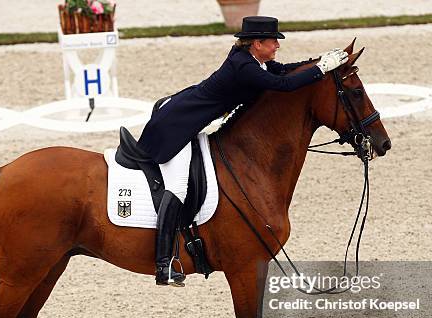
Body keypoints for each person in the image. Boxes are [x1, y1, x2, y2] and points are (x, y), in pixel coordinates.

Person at [137, 16, 349, 287]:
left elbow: (283, 70)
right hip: (176, 126)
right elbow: (283, 86)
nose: (277, 46)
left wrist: (318, 61)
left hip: (191, 118)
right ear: (257, 43)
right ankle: (164, 264)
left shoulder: (254, 60)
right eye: (273, 41)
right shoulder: (243, 66)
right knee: (178, 187)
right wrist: (320, 70)